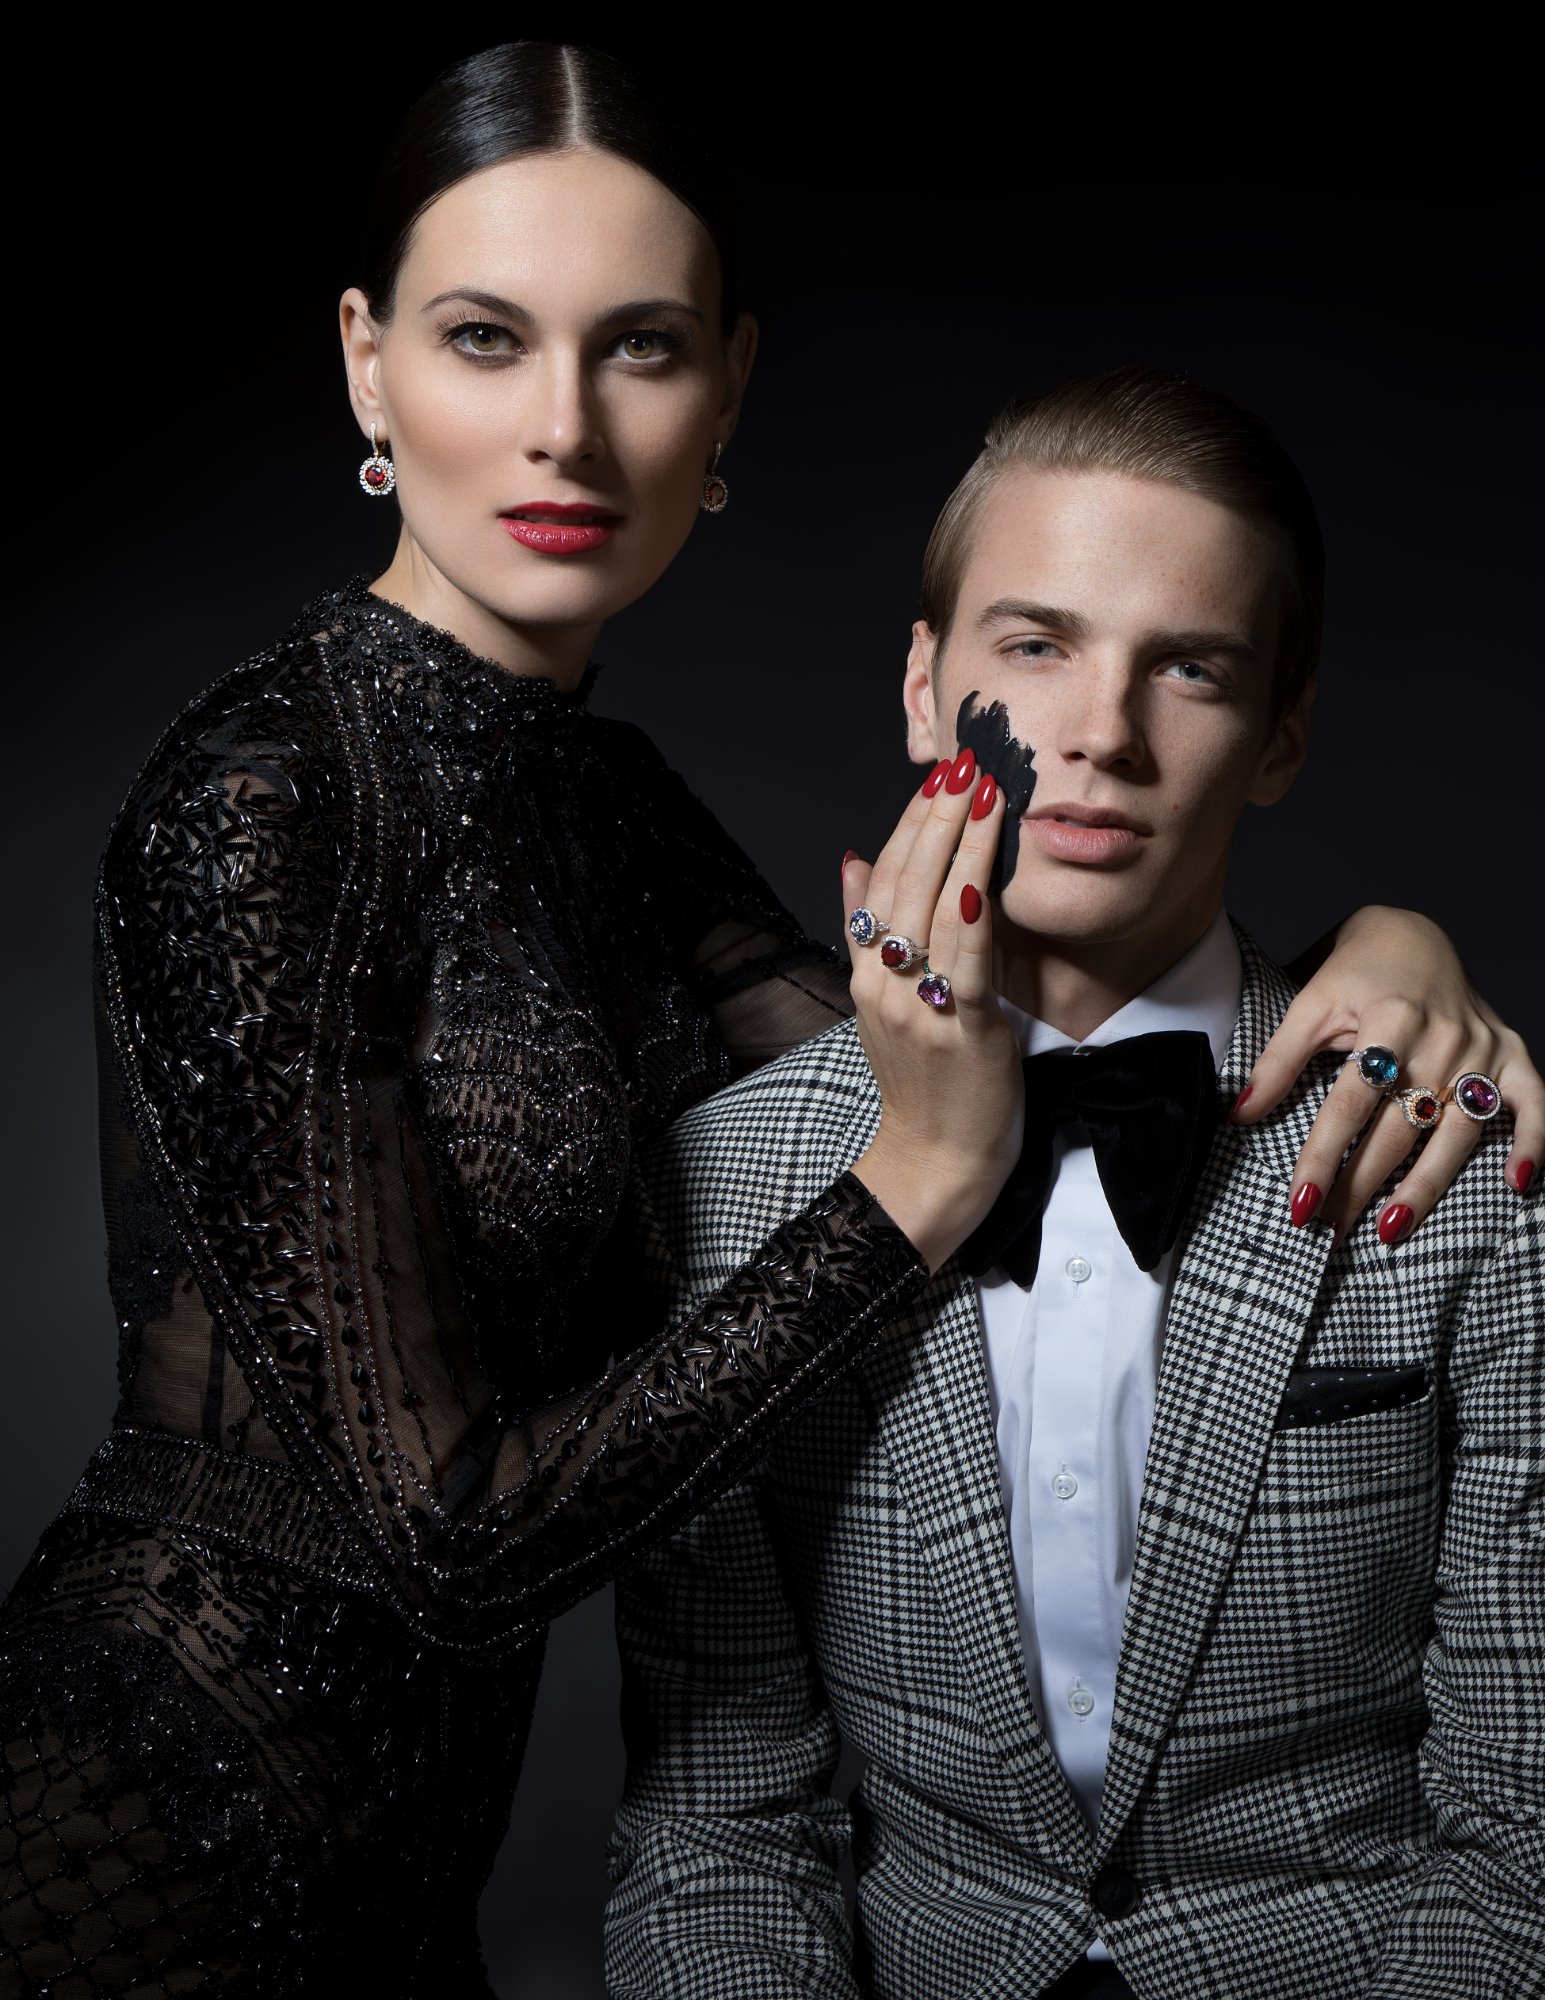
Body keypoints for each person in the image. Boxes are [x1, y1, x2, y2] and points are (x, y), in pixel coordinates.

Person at [0, 39, 1532, 1995]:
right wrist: (922, 1179)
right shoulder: (263, 795)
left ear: (722, 393)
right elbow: (455, 1538)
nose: (566, 430)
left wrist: (1381, 946)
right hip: (154, 1819)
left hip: (412, 1860)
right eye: (485, 339)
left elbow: (959, 1031)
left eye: (638, 349)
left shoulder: (613, 809)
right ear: (369, 367)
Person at [604, 368, 1544, 2000]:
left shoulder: (1455, 1154)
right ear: (925, 689)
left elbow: (1521, 1836)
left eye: (1189, 667)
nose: (1102, 734)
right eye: (1036, 645)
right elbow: (715, 1830)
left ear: (1278, 736)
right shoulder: (723, 1185)